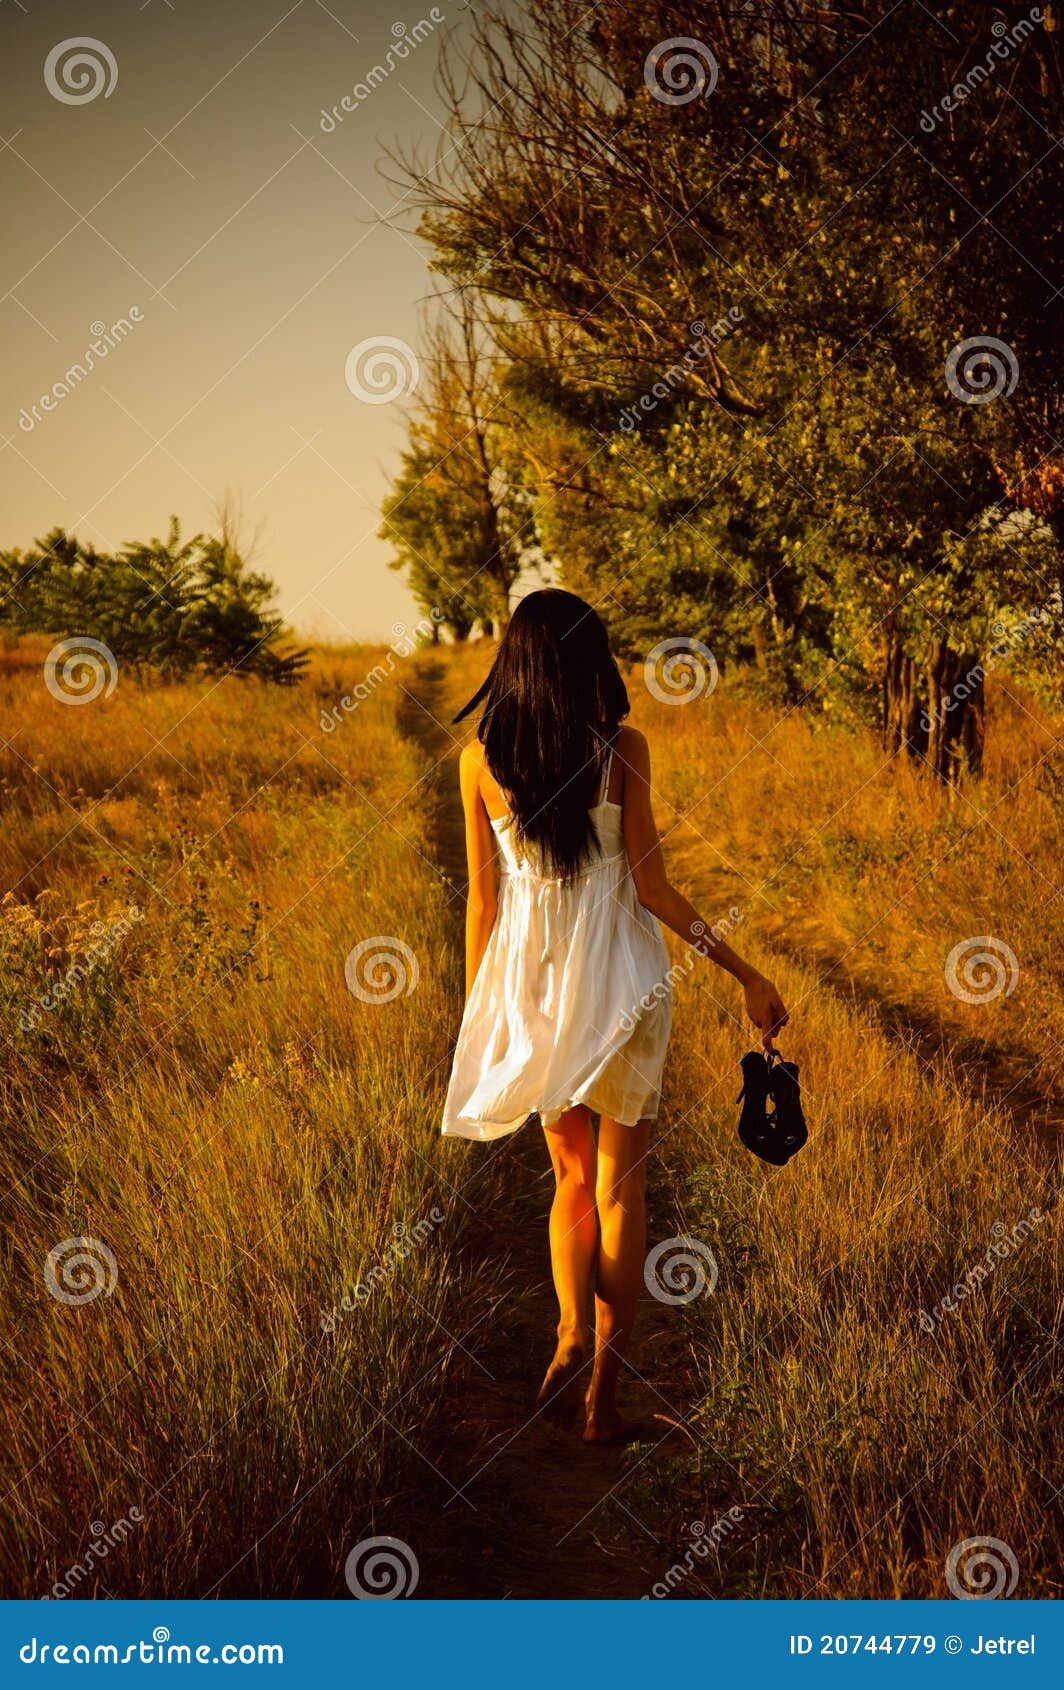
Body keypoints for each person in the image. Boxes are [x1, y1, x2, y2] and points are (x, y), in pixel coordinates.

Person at [441, 589, 788, 1443]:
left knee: (568, 1182)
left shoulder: (477, 762)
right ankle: (604, 1392)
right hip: (626, 982)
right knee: (621, 1191)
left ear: (514, 663)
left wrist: (478, 1011)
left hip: (537, 986)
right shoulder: (621, 749)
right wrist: (745, 971)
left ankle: (565, 1330)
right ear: (586, 660)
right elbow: (653, 888)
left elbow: (483, 905)